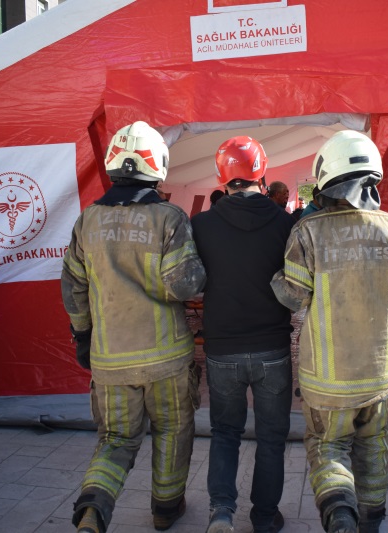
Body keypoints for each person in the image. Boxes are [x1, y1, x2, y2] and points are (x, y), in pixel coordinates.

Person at [271, 131, 388, 533]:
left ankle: (340, 512)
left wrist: (273, 278)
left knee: (328, 445)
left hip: (329, 378)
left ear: (326, 179)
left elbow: (293, 297)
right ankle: (371, 520)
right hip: (382, 375)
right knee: (373, 445)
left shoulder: (308, 232)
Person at [61, 121, 206, 533]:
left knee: (116, 440)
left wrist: (83, 336)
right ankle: (166, 509)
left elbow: (72, 286)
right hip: (167, 361)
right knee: (173, 432)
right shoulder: (169, 218)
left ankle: (93, 511)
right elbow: (186, 285)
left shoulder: (88, 220)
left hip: (111, 361)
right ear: (157, 164)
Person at [191, 136, 296, 533]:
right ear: (262, 173)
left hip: (222, 348)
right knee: (271, 438)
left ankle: (221, 512)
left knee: (224, 433)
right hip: (272, 348)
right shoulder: (286, 223)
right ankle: (265, 517)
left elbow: (192, 282)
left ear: (223, 175)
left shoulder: (201, 225)